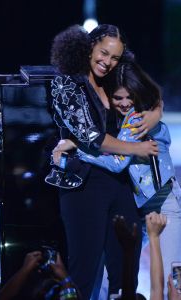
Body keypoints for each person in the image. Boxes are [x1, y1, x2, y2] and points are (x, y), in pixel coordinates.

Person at [49, 24, 162, 299]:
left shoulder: (114, 79)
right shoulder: (65, 83)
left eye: (114, 58)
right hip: (84, 183)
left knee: (126, 263)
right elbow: (92, 137)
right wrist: (136, 148)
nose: (107, 62)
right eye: (103, 53)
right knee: (85, 267)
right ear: (88, 46)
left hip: (121, 181)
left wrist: (155, 113)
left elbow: (151, 93)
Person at [66, 61, 181, 299]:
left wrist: (75, 150)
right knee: (116, 278)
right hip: (135, 209)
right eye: (117, 98)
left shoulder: (138, 119)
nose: (123, 103)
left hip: (164, 205)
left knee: (174, 280)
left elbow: (117, 162)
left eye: (128, 97)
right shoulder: (118, 119)